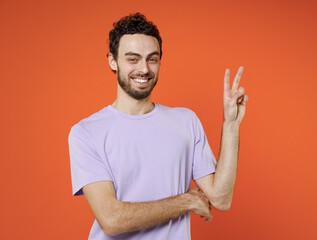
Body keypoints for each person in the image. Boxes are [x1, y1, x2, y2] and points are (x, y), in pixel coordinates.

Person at [68, 12, 249, 240]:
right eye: (132, 59)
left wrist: (231, 125)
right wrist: (186, 201)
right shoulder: (87, 132)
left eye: (152, 59)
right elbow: (111, 220)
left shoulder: (186, 121)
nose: (144, 69)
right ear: (112, 61)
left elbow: (221, 199)